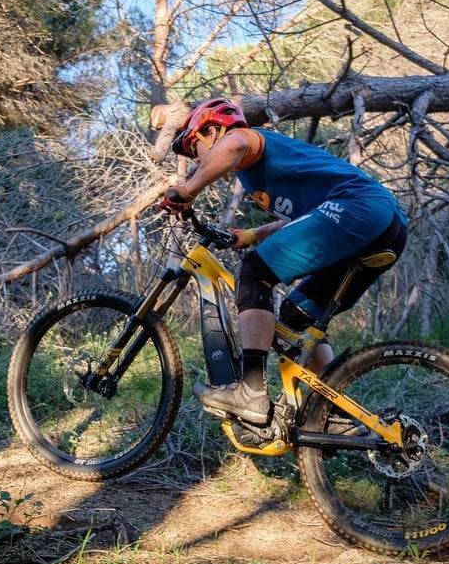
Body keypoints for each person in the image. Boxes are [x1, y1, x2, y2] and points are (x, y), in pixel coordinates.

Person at [156, 98, 408, 426]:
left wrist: (188, 189)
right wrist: (250, 235)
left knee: (255, 273)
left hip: (360, 209)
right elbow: (310, 217)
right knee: (294, 319)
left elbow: (235, 144)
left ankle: (251, 392)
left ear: (213, 130)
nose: (195, 159)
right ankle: (338, 415)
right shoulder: (255, 176)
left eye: (194, 148)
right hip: (385, 226)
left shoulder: (248, 141)